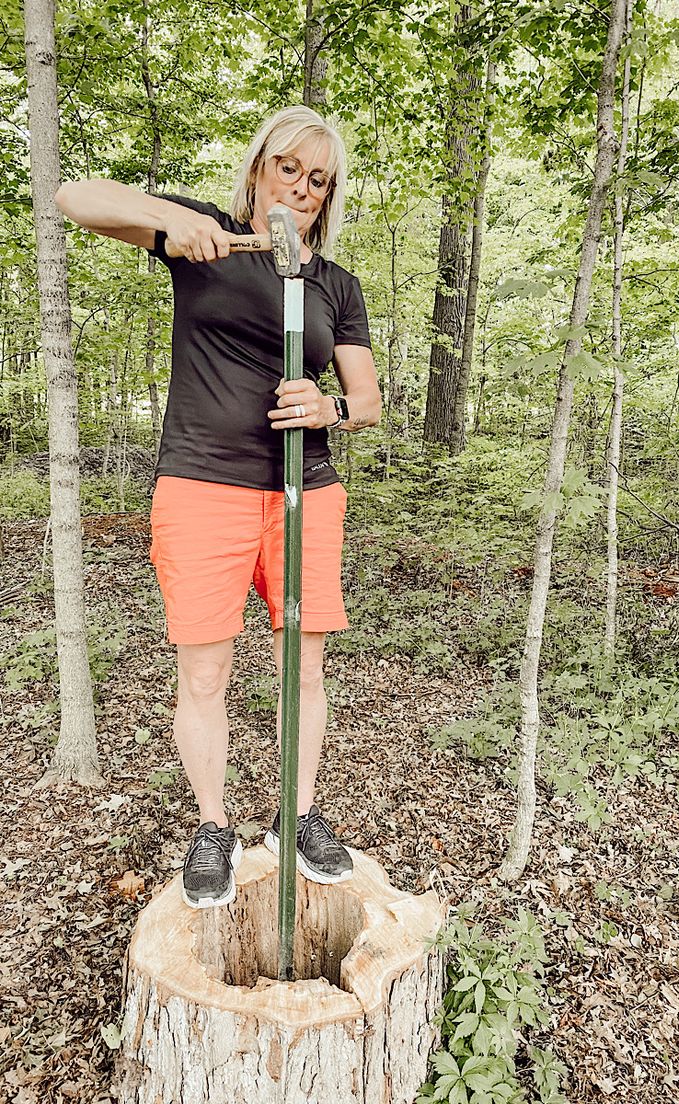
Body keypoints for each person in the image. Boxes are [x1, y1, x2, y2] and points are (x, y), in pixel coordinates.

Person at [55, 105, 381, 910]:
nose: (301, 188)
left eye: (317, 180)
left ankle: (296, 817)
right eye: (288, 169)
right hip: (202, 486)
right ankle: (212, 828)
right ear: (259, 167)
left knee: (303, 666)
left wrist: (328, 409)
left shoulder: (335, 285)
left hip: (306, 496)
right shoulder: (205, 240)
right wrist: (171, 220)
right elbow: (74, 196)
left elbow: (367, 398)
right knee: (204, 669)